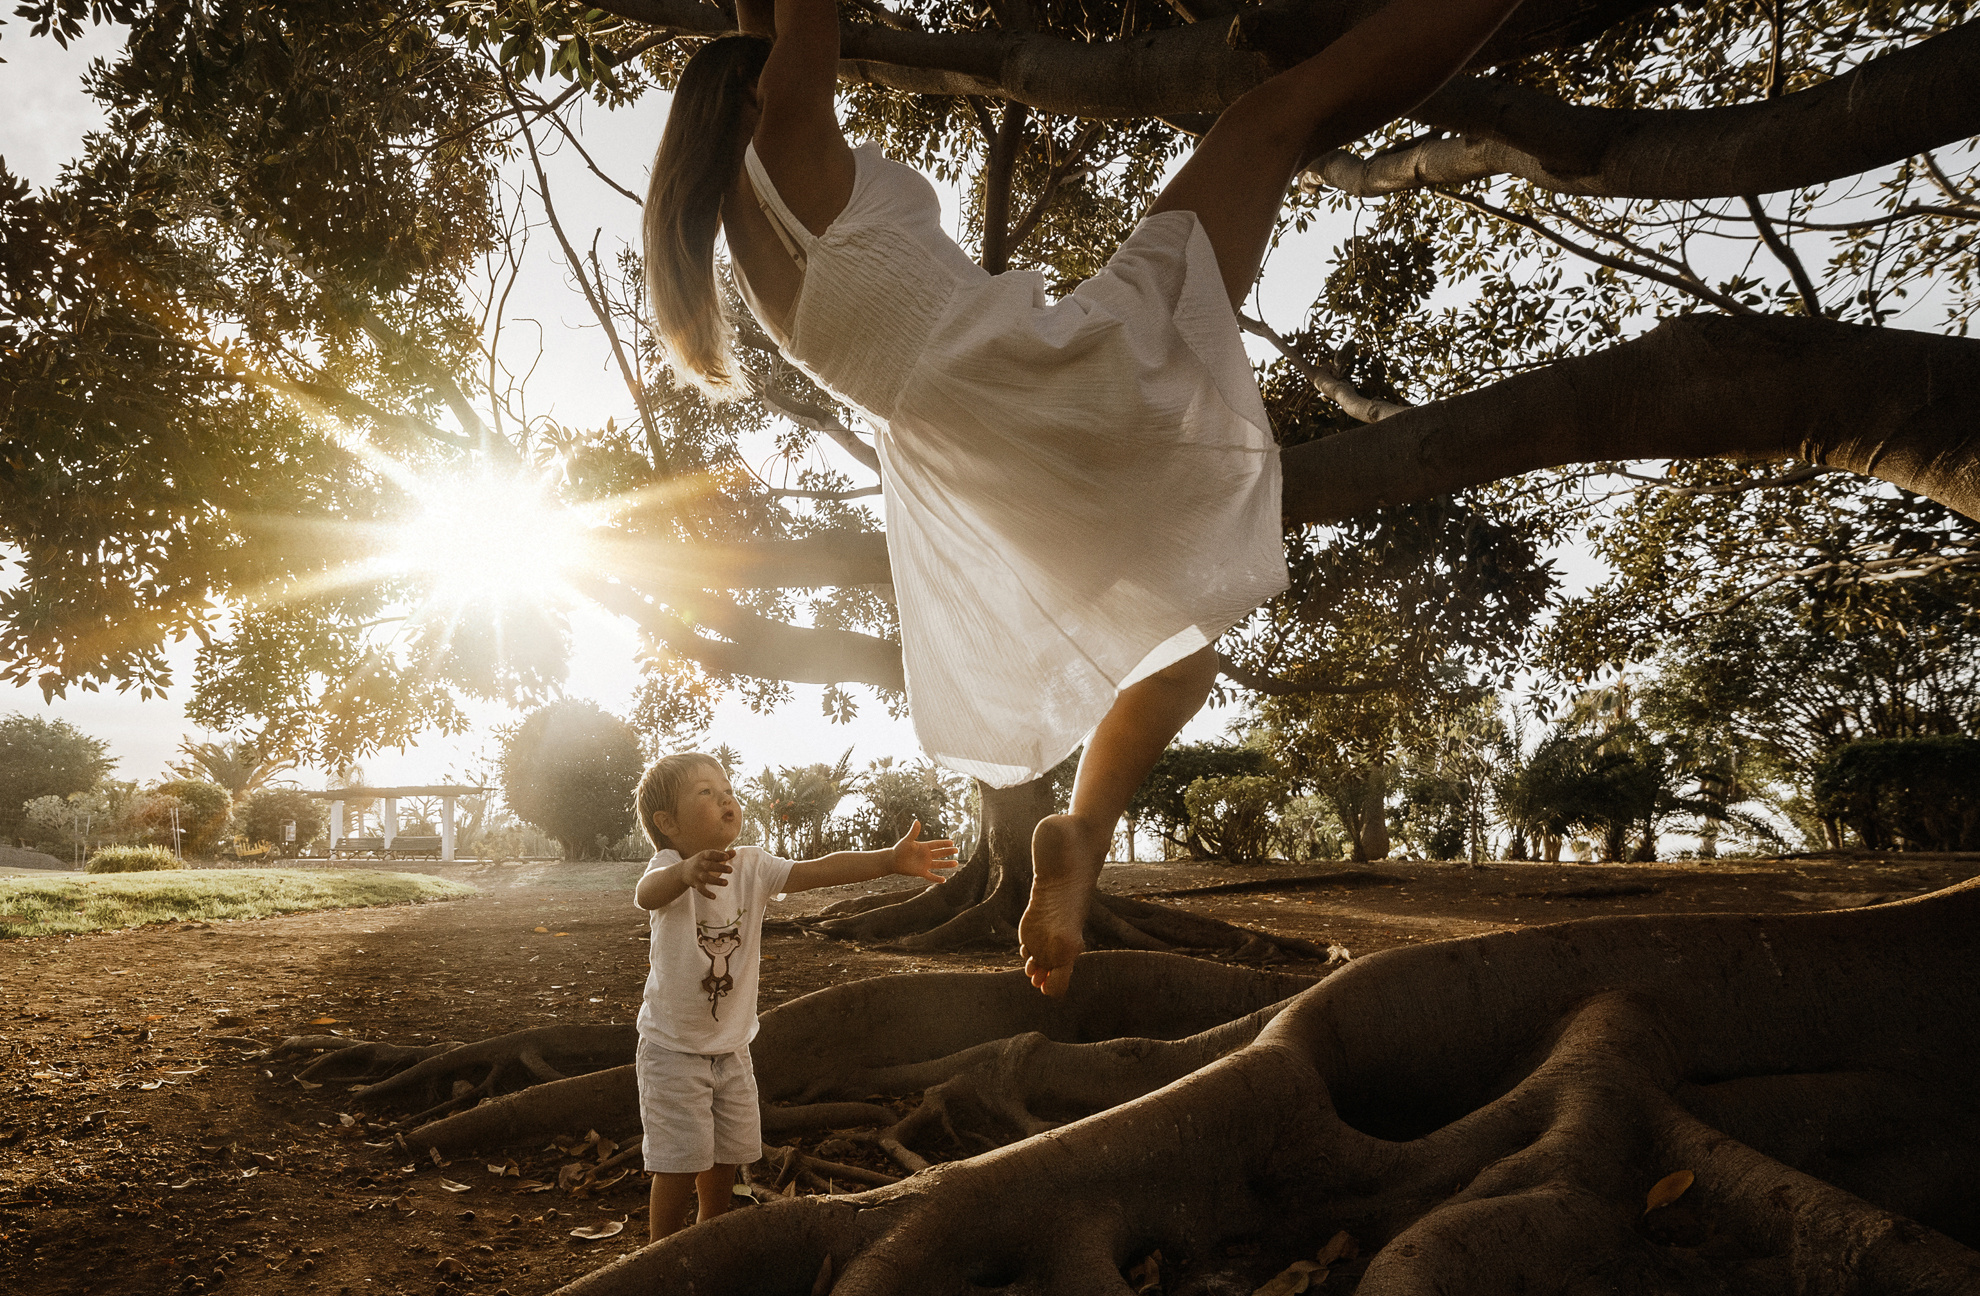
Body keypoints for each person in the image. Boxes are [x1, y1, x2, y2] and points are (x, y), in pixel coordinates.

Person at [643, 0, 1526, 996]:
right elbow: (804, 26)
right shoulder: (787, 128)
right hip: (1031, 383)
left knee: (1180, 660)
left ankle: (1081, 831)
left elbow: (775, 28)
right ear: (756, 90)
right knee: (1275, 118)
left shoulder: (748, 240)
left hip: (983, 455)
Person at [631, 751, 956, 1241]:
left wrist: (888, 860)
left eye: (727, 790)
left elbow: (820, 870)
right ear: (667, 822)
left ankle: (709, 1237)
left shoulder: (753, 866)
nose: (725, 798)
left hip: (731, 1048)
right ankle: (657, 1254)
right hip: (673, 1051)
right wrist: (683, 873)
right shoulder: (669, 866)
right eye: (705, 792)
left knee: (725, 1159)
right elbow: (646, 893)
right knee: (677, 1164)